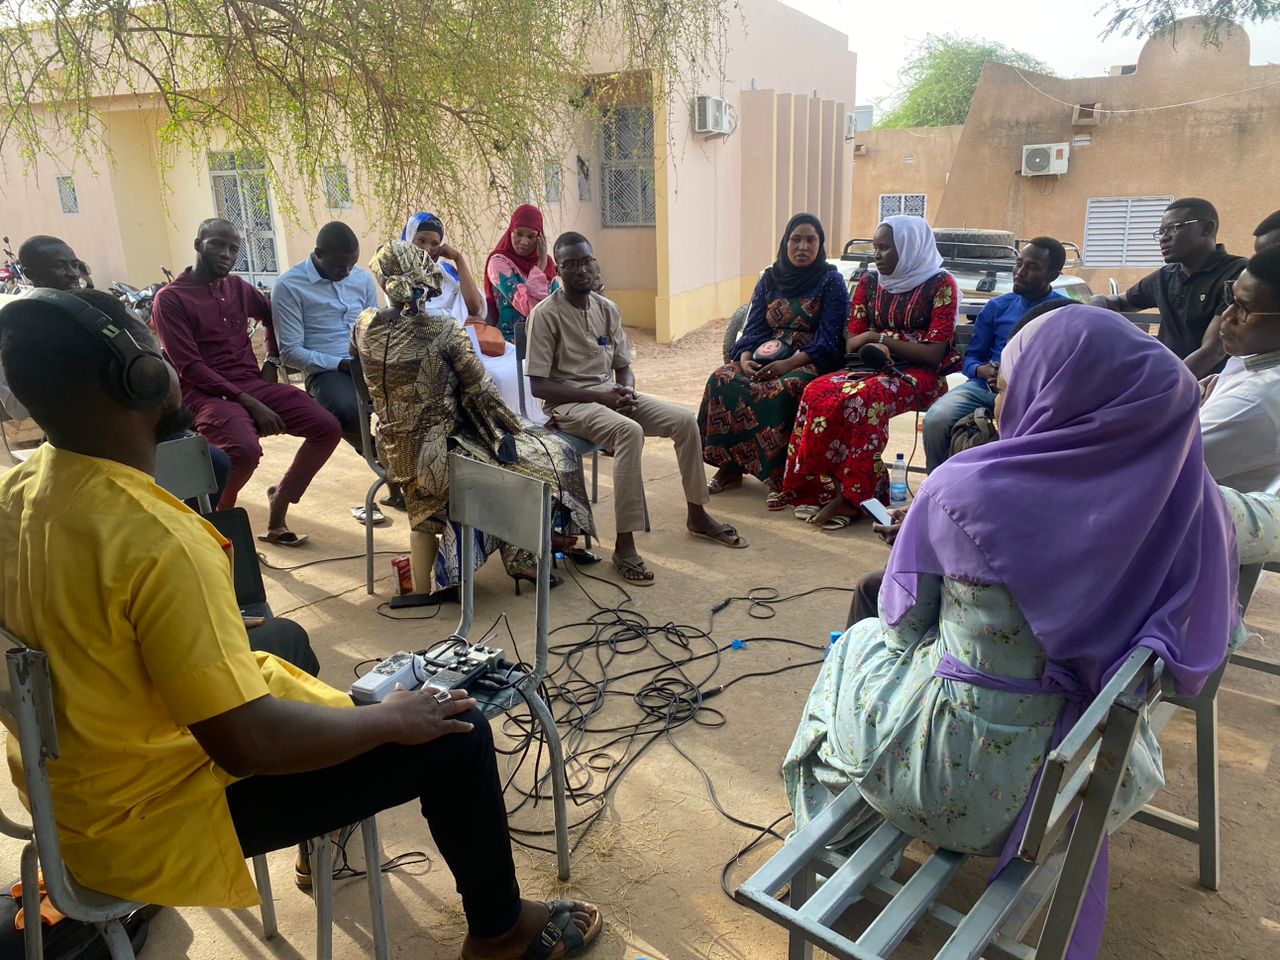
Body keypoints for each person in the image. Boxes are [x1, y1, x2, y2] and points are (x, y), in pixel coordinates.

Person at [0, 290, 603, 960]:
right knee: (452, 736)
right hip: (154, 819)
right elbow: (247, 744)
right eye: (151, 345)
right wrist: (390, 721)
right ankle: (501, 932)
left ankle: (324, 837)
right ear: (137, 376)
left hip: (71, 799)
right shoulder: (158, 541)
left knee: (284, 642)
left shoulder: (16, 496)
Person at [785, 305, 1238, 959]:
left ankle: (842, 855)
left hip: (950, 782)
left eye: (1008, 384)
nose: (1001, 395)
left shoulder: (963, 492)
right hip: (1083, 786)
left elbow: (904, 623)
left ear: (1052, 391)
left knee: (854, 649)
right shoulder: (1187, 501)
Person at [351, 240, 595, 594]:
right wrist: (511, 429)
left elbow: (360, 373)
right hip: (436, 459)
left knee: (506, 452)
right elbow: (482, 393)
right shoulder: (443, 330)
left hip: (390, 451)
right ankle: (529, 550)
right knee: (545, 454)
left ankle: (534, 544)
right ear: (424, 279)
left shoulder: (363, 324)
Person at [527, 232, 746, 585]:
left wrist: (626, 390)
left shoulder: (606, 309)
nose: (581, 270)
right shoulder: (545, 315)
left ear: (594, 262)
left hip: (610, 396)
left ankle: (697, 514)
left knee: (685, 420)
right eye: (571, 264)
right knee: (629, 431)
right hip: (569, 405)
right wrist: (604, 398)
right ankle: (624, 545)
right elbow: (539, 385)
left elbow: (622, 365)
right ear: (559, 269)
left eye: (586, 261)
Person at [151, 218, 342, 545]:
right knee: (244, 450)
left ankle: (279, 502)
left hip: (251, 385)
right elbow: (189, 366)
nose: (226, 254)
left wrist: (271, 359)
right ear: (198, 245)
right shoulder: (170, 299)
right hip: (204, 395)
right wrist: (248, 401)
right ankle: (217, 529)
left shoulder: (239, 288)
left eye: (233, 248)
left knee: (327, 427)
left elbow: (273, 318)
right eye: (217, 245)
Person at [20, 239, 233, 503]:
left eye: (76, 265)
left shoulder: (107, 310)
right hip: (75, 433)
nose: (72, 273)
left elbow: (152, 358)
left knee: (216, 464)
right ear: (30, 274)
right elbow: (15, 405)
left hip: (132, 416)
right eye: (60, 266)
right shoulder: (20, 328)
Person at [782, 216, 959, 529]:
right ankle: (821, 486)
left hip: (920, 375)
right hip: (868, 364)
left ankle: (857, 497)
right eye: (875, 247)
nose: (877, 255)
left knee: (865, 400)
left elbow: (933, 353)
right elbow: (853, 339)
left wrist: (880, 338)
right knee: (817, 391)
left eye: (885, 248)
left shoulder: (941, 284)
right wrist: (876, 342)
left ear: (909, 247)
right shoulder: (870, 282)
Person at [697, 214, 850, 507]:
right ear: (785, 242)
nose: (802, 246)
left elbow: (830, 338)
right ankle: (730, 466)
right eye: (796, 239)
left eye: (810, 240)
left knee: (784, 388)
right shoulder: (770, 277)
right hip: (763, 353)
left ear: (820, 244)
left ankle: (776, 475)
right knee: (723, 379)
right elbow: (754, 327)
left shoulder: (830, 281)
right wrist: (743, 360)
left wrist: (788, 364)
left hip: (810, 357)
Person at [271, 222, 397, 522]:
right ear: (318, 255)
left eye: (352, 265)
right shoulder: (289, 286)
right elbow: (290, 352)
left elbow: (373, 328)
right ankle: (392, 468)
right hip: (325, 370)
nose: (347, 272)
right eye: (340, 265)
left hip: (367, 362)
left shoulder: (361, 279)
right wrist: (339, 363)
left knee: (414, 397)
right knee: (348, 410)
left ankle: (397, 478)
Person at [921, 237, 1066, 472]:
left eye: (1032, 267)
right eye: (1019, 263)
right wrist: (983, 370)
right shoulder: (997, 307)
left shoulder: (1062, 312)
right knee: (936, 418)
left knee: (1029, 432)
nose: (1020, 272)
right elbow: (971, 358)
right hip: (984, 387)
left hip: (1033, 394)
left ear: (1053, 275)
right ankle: (935, 490)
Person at [407, 212, 548, 426]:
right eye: (421, 241)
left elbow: (474, 307)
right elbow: (416, 316)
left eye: (434, 243)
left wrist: (459, 258)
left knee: (521, 368)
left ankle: (523, 425)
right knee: (493, 377)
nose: (427, 249)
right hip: (440, 344)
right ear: (409, 238)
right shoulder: (401, 275)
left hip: (473, 338)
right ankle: (497, 430)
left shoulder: (445, 272)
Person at [1090, 198, 1247, 377]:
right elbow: (1118, 301)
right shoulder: (1165, 276)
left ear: (1206, 228)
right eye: (1162, 231)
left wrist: (1165, 386)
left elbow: (1213, 351)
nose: (1164, 238)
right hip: (1166, 376)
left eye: (1175, 227)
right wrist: (1095, 307)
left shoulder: (1237, 274)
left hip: (1209, 388)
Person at [1199, 245, 1280, 492]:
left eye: (1243, 308)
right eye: (1230, 300)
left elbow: (1151, 465)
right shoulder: (1253, 362)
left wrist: (1186, 408)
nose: (1226, 316)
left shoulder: (1255, 400)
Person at [485, 205, 559, 342]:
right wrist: (540, 267)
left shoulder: (548, 263)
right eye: (519, 233)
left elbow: (558, 303)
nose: (524, 242)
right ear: (511, 230)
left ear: (540, 238)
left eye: (531, 236)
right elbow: (527, 307)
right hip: (511, 343)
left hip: (546, 340)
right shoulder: (498, 263)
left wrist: (543, 261)